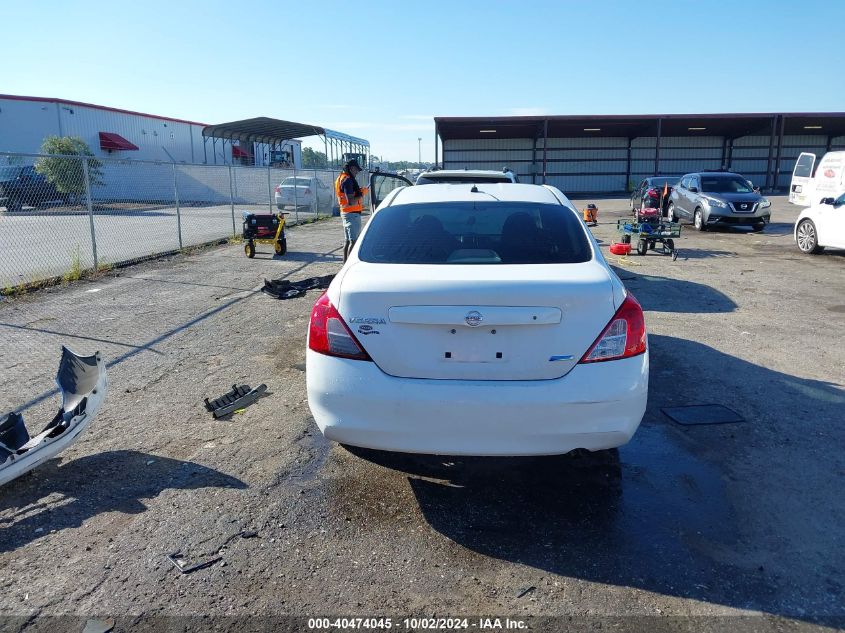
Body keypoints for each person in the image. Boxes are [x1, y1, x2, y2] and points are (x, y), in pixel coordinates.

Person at [335, 159, 369, 262]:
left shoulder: (341, 178)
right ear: (351, 168)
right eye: (356, 170)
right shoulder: (348, 180)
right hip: (352, 214)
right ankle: (349, 266)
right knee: (354, 242)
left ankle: (345, 265)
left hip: (345, 212)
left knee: (347, 241)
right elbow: (351, 201)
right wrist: (362, 193)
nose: (357, 172)